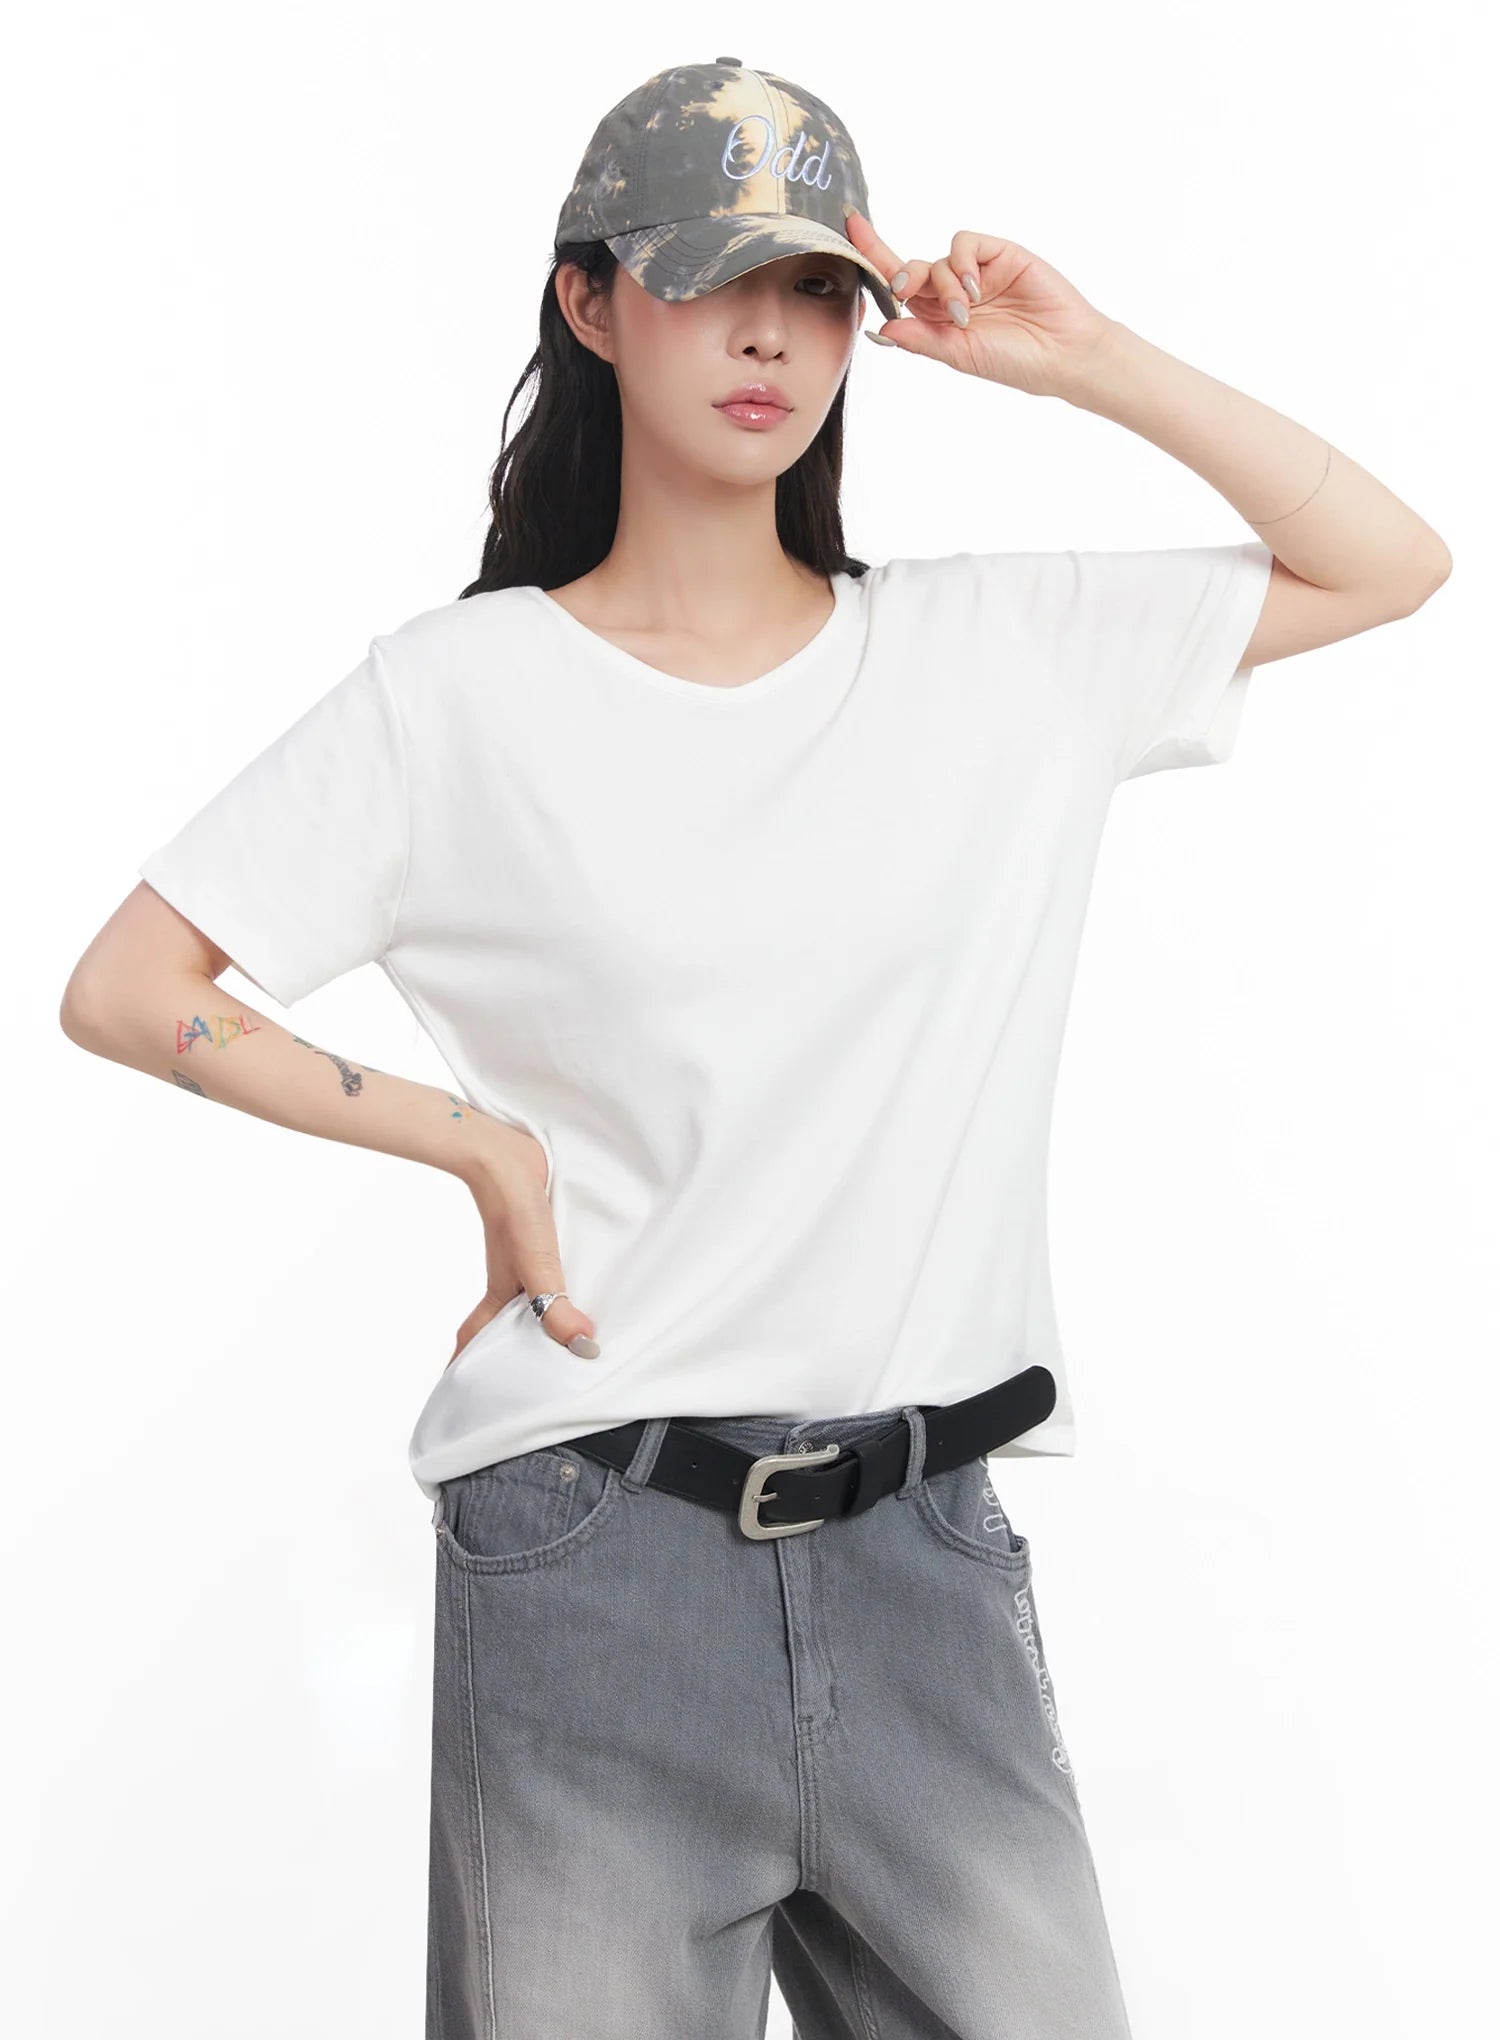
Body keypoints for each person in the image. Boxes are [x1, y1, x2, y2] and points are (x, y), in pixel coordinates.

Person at [60, 54, 1449, 2040]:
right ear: (590, 302)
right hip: (593, 1560)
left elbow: (1389, 562)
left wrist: (1087, 362)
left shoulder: (1002, 656)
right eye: (715, 281)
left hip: (928, 1558)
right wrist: (476, 1144)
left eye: (818, 291)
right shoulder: (460, 700)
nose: (773, 337)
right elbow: (132, 985)